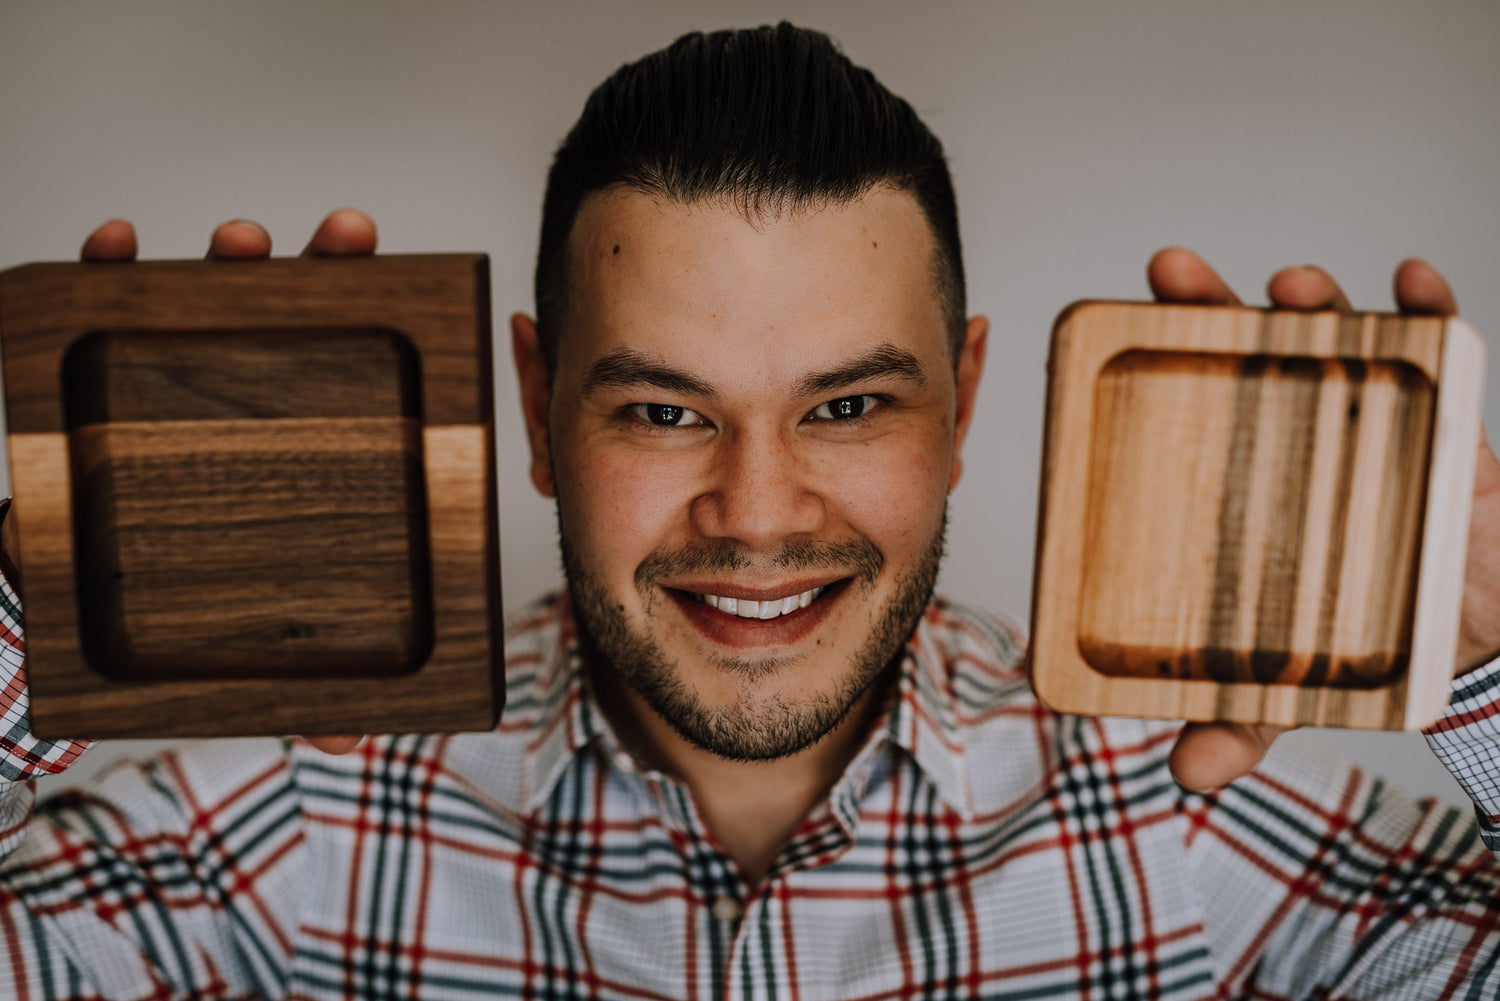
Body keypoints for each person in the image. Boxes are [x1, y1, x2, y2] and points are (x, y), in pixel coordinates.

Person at [3, 22, 1499, 999]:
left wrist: (1496, 671)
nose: (759, 511)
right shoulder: (286, 826)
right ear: (536, 407)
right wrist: (26, 612)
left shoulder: (1187, 821)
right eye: (662, 409)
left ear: (965, 406)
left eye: (849, 405)